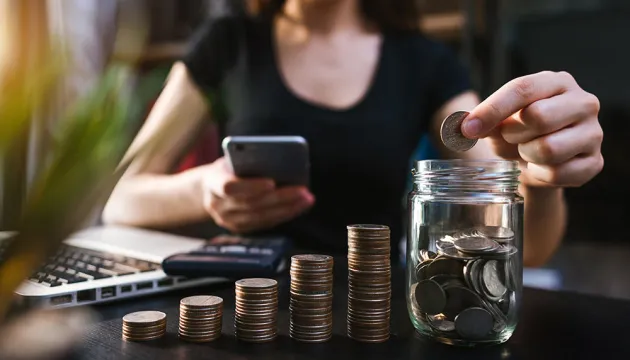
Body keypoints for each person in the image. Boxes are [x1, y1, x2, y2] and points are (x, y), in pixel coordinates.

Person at [103, 0, 603, 267]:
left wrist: (538, 178)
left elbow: (526, 246)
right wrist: (204, 188)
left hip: (377, 317)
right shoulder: (227, 44)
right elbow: (120, 201)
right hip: (240, 315)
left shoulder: (424, 61)